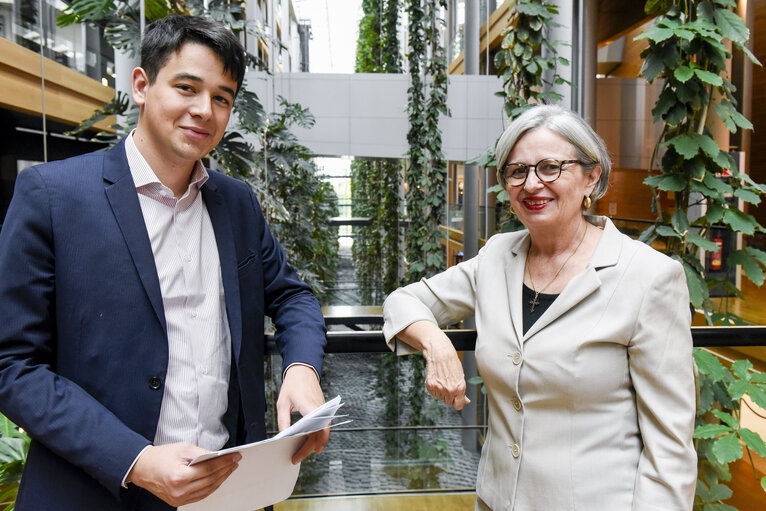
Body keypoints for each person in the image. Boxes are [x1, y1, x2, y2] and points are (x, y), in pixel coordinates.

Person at [0, 15, 329, 510]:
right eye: (187, 87)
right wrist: (135, 458)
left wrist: (301, 367)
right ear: (141, 85)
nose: (204, 110)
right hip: (98, 491)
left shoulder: (236, 202)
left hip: (229, 492)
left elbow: (291, 293)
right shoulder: (52, 196)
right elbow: (13, 365)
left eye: (222, 98)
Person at [382, 105, 697, 510]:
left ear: (591, 176)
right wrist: (437, 344)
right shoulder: (498, 257)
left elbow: (670, 448)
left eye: (550, 167)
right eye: (517, 171)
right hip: (498, 500)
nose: (532, 184)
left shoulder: (649, 276)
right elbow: (402, 301)